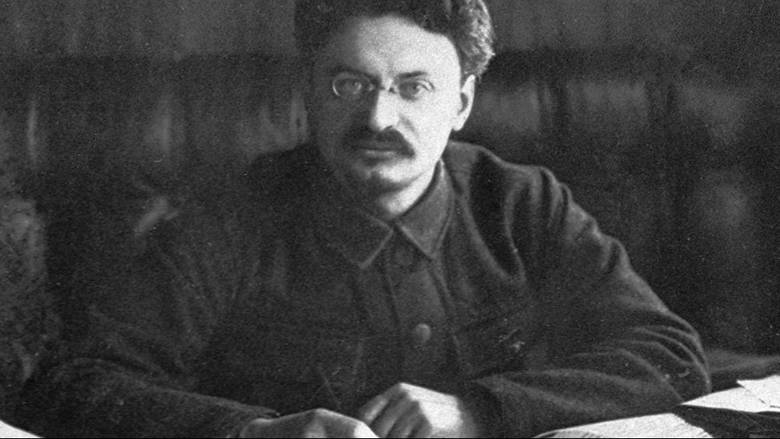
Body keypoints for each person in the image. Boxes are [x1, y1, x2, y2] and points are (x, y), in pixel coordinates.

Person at [24, 0, 710, 437]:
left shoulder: (520, 203)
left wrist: (481, 410)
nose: (379, 117)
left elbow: (669, 356)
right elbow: (76, 383)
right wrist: (253, 433)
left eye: (414, 88)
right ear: (309, 93)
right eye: (348, 84)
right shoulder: (230, 217)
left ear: (462, 103)